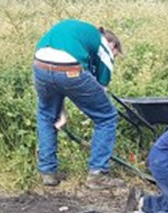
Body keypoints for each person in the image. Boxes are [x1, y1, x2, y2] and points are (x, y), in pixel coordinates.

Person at [32, 19, 125, 189]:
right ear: (112, 44)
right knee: (106, 117)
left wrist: (62, 111)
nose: (114, 57)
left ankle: (48, 173)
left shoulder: (78, 33)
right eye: (116, 54)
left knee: (46, 115)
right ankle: (98, 174)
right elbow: (101, 85)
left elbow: (56, 76)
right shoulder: (103, 42)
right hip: (70, 68)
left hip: (40, 65)